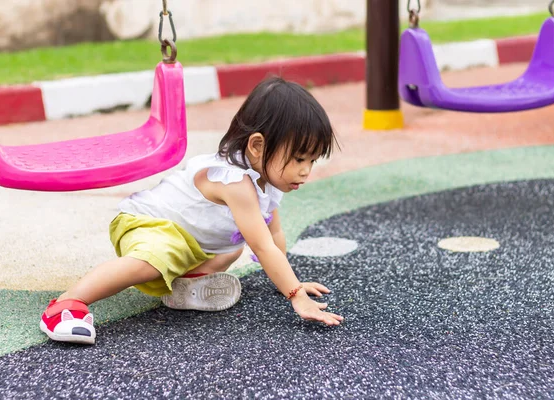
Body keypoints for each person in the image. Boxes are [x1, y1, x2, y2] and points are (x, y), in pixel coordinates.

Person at [40, 76, 344, 345]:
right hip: (146, 224)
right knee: (154, 260)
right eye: (300, 158)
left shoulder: (270, 179)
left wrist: (289, 283)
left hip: (187, 242)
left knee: (231, 247)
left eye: (313, 161)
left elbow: (272, 232)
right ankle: (67, 304)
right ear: (257, 146)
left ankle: (187, 286)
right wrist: (296, 296)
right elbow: (264, 247)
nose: (306, 171)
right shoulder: (235, 181)